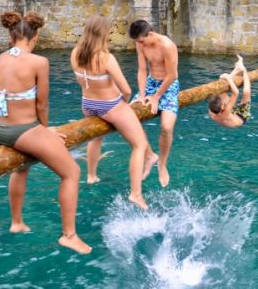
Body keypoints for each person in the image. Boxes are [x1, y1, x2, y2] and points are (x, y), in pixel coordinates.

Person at [0, 11, 91, 254]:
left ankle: (17, 222)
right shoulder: (39, 62)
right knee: (72, 172)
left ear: (12, 35)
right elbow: (42, 104)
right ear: (33, 37)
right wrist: (44, 132)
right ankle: (69, 235)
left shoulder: (1, 58)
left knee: (20, 167)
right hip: (23, 131)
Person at [70, 16, 157, 209]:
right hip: (108, 105)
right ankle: (136, 194)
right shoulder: (105, 57)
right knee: (139, 145)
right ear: (103, 33)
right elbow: (126, 90)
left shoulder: (75, 53)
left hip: (87, 103)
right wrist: (123, 104)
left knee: (96, 137)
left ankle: (91, 175)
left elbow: (83, 82)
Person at [129, 20, 179, 188]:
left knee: (166, 127)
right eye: (137, 42)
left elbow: (172, 75)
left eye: (141, 41)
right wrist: (142, 95)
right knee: (127, 119)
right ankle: (150, 156)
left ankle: (162, 165)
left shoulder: (167, 45)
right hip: (151, 83)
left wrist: (157, 96)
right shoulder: (140, 44)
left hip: (169, 85)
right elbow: (142, 70)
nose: (139, 44)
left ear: (149, 34)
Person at [208, 56, 251, 128]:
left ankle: (235, 71)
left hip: (231, 114)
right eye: (223, 104)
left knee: (221, 91)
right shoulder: (225, 112)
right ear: (222, 107)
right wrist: (228, 79)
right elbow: (236, 92)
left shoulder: (211, 112)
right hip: (242, 116)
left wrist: (225, 78)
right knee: (246, 93)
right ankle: (243, 69)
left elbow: (215, 99)